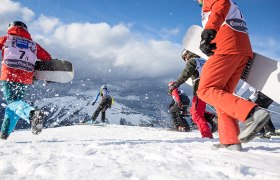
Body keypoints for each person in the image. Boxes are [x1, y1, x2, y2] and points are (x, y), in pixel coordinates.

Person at [195, 0, 270, 150]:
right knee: (222, 95)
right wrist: (211, 39)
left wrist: (209, 31)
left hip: (227, 46)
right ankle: (230, 140)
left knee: (206, 89)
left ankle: (252, 113)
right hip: (239, 49)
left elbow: (221, 5)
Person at [0, 21, 52, 139]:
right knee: (15, 103)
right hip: (26, 77)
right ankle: (4, 134)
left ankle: (32, 114)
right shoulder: (33, 45)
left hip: (9, 73)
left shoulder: (6, 39)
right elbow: (47, 57)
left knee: (13, 102)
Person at [168, 50, 213, 138]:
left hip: (201, 90)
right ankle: (213, 119)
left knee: (196, 114)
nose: (185, 60)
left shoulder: (193, 61)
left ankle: (207, 135)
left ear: (187, 55)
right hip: (211, 88)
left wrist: (175, 85)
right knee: (194, 111)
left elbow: (185, 74)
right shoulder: (205, 61)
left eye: (184, 58)